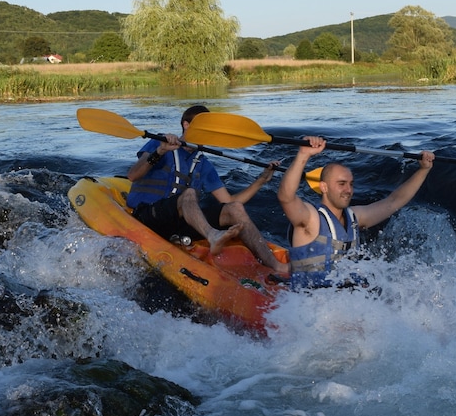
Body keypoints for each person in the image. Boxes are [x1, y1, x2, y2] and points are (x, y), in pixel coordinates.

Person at [126, 104, 287, 275]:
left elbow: (229, 201)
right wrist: (159, 151)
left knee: (235, 209)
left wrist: (261, 180)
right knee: (190, 193)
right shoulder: (159, 142)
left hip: (180, 224)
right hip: (149, 215)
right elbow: (133, 175)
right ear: (186, 125)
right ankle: (213, 236)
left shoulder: (203, 164)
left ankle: (275, 265)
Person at [277, 137, 435, 289]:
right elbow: (286, 197)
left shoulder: (355, 217)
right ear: (324, 187)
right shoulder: (311, 218)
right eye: (341, 184)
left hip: (350, 302)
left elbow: (393, 202)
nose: (348, 190)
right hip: (313, 303)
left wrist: (423, 170)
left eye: (351, 184)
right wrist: (303, 155)